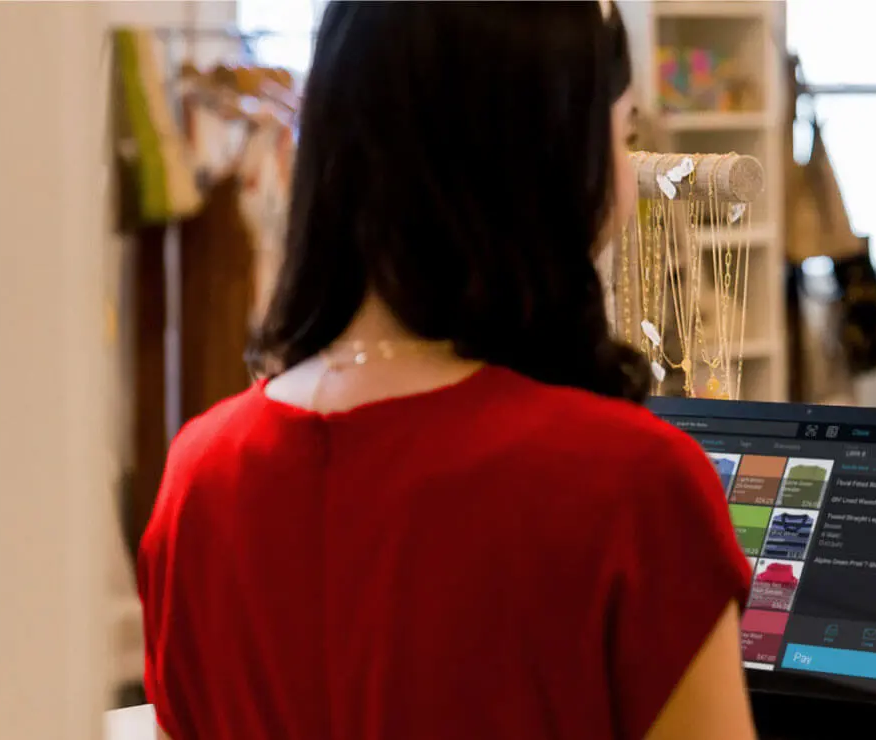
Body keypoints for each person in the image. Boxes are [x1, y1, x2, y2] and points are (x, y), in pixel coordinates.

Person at [134, 3, 757, 739]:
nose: (627, 182)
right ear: (551, 160)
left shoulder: (200, 477)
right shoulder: (633, 487)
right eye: (621, 138)